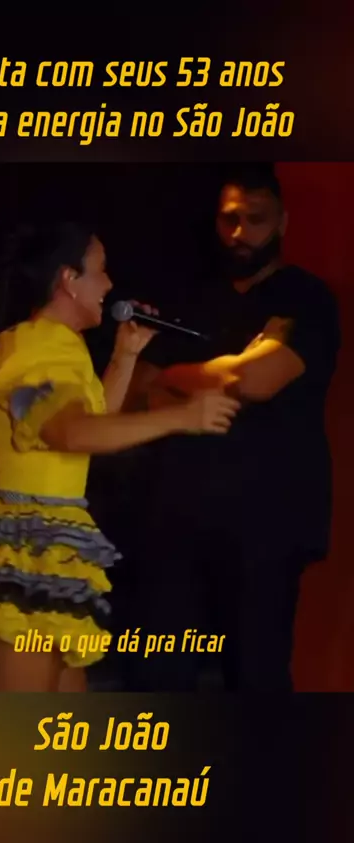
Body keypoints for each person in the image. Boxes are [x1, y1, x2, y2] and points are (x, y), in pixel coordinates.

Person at [0, 222, 239, 692]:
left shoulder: (62, 346)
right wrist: (182, 416)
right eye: (100, 270)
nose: (109, 284)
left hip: (51, 549)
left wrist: (124, 357)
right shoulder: (31, 346)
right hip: (22, 553)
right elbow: (71, 432)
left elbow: (91, 423)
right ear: (68, 279)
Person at [125, 165, 340, 692]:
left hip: (267, 523)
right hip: (176, 516)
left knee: (255, 676)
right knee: (159, 676)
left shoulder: (305, 298)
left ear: (283, 222)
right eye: (229, 219)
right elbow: (135, 391)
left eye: (256, 220)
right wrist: (218, 372)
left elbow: (255, 380)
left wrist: (177, 376)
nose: (240, 233)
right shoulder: (188, 299)